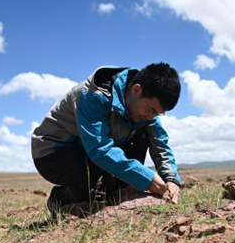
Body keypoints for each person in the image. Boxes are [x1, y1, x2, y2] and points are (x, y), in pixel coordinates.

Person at [32, 63, 182, 216]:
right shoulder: (93, 96)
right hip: (53, 152)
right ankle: (60, 199)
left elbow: (160, 143)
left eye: (156, 114)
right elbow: (100, 149)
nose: (151, 117)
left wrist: (171, 179)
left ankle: (121, 190)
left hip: (88, 151)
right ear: (136, 90)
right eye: (150, 110)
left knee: (143, 135)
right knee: (101, 185)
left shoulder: (145, 105)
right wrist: (147, 178)